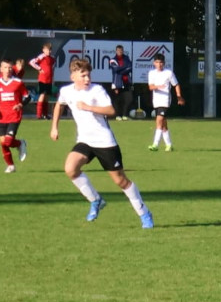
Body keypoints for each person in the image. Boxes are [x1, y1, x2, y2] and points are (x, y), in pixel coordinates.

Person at [50, 57, 153, 228]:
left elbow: (111, 110)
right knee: (70, 169)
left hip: (104, 142)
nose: (87, 79)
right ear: (73, 76)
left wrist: (88, 107)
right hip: (85, 140)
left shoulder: (97, 90)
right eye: (83, 75)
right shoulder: (66, 91)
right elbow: (59, 105)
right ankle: (96, 200)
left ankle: (144, 213)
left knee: (121, 181)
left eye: (88, 75)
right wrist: (54, 127)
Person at [0, 58, 29, 173]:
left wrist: (20, 104)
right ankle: (11, 166)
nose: (7, 70)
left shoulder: (18, 82)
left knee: (8, 141)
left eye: (9, 67)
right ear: (1, 69)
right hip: (1, 116)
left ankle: (20, 143)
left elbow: (27, 97)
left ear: (12, 69)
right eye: (5, 67)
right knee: (3, 143)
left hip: (14, 115)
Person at [147, 53, 184, 151]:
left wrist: (179, 96)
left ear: (164, 63)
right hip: (156, 101)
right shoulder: (151, 73)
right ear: (154, 63)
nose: (159, 64)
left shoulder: (169, 73)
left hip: (165, 101)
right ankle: (169, 145)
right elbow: (150, 87)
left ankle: (155, 144)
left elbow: (176, 84)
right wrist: (158, 86)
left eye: (161, 62)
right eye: (157, 62)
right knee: (163, 124)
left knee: (159, 120)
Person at [29, 42, 56, 120]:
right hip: (43, 79)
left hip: (49, 79)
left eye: (50, 50)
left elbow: (52, 66)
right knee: (42, 95)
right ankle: (39, 115)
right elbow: (32, 62)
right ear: (43, 50)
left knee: (47, 96)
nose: (49, 51)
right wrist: (39, 69)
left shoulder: (52, 58)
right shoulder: (42, 56)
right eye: (47, 50)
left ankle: (45, 114)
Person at [107, 44, 132, 120]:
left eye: (121, 51)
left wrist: (120, 69)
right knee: (117, 99)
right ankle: (118, 115)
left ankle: (124, 115)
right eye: (118, 51)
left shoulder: (126, 58)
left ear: (123, 51)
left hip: (126, 81)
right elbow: (115, 69)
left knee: (128, 98)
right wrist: (124, 68)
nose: (120, 52)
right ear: (116, 51)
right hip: (117, 82)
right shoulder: (113, 60)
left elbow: (130, 68)